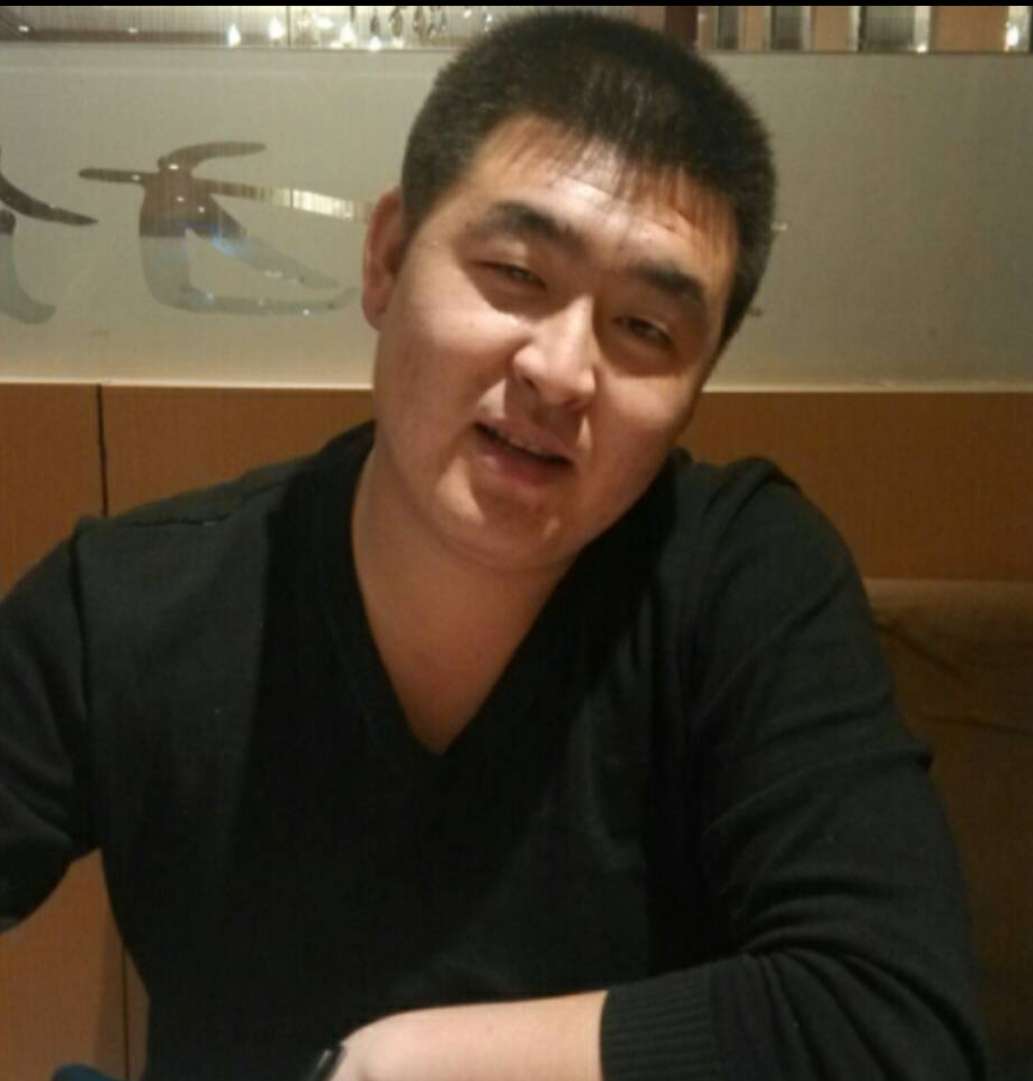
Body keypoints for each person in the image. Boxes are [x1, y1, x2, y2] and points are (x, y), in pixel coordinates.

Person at [0, 11, 986, 1081]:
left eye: (646, 329)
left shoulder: (742, 580)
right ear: (386, 257)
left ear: (698, 385)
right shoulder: (135, 605)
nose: (561, 371)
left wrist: (398, 1064)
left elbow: (892, 1022)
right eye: (516, 272)